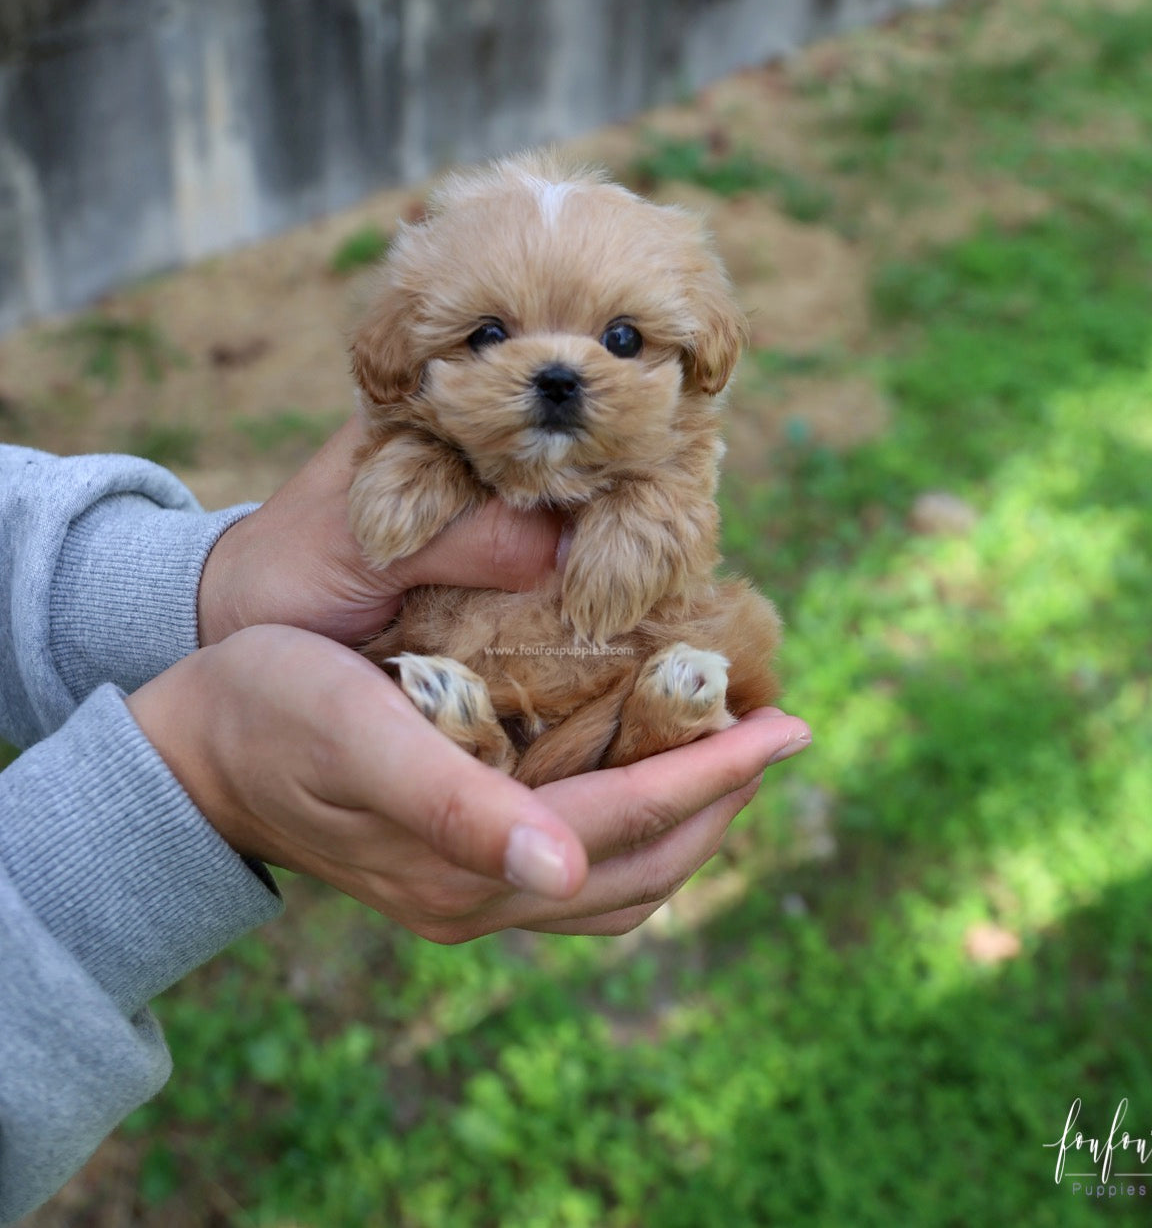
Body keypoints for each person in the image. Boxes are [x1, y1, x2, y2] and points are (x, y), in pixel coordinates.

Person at [0, 419, 810, 1220]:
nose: (558, 372)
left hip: (608, 660)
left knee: (707, 641)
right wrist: (192, 778)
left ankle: (644, 720)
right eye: (489, 336)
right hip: (462, 661)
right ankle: (484, 743)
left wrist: (201, 589)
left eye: (622, 339)